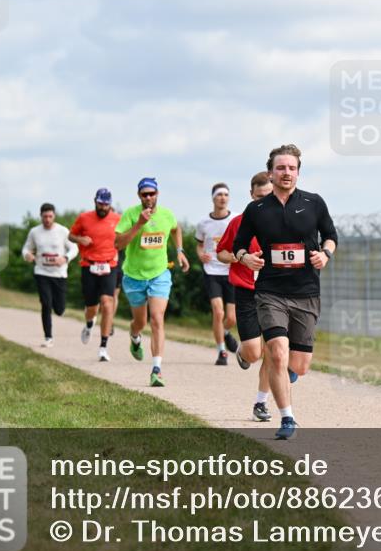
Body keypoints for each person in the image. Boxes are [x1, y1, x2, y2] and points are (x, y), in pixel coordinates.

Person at [233, 145, 337, 439]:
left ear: (298, 172)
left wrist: (325, 254)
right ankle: (287, 418)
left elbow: (330, 235)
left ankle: (287, 377)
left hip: (305, 291)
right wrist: (246, 258)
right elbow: (239, 244)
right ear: (271, 172)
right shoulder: (256, 209)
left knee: (299, 366)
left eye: (291, 168)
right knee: (276, 353)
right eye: (281, 168)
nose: (286, 173)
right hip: (270, 291)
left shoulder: (314, 203)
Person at [115, 177, 190, 387]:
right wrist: (139, 223)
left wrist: (180, 251)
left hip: (159, 274)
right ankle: (135, 336)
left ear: (157, 194)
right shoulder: (130, 215)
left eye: (152, 193)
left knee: (157, 318)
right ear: (139, 196)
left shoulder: (167, 214)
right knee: (140, 322)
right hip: (134, 276)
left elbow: (176, 229)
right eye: (144, 194)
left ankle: (156, 370)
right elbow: (118, 244)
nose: (149, 197)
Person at [218, 171, 276, 421]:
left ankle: (261, 403)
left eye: (268, 196)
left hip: (275, 292)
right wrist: (236, 257)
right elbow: (221, 252)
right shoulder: (239, 222)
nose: (263, 201)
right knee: (255, 353)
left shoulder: (283, 222)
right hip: (245, 292)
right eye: (259, 196)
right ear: (252, 195)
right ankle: (242, 352)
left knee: (273, 350)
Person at [69, 188, 121, 361]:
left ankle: (103, 347)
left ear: (110, 204)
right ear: (95, 201)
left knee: (107, 303)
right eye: (100, 203)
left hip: (109, 265)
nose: (103, 207)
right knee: (92, 307)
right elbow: (71, 235)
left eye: (106, 204)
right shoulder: (84, 218)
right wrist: (80, 240)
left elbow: (125, 238)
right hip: (89, 265)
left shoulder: (117, 219)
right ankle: (89, 324)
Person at [22, 203, 78, 347]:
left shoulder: (63, 231)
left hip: (59, 274)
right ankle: (48, 337)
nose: (47, 219)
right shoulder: (35, 232)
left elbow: (74, 248)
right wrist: (27, 255)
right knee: (46, 304)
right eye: (45, 216)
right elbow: (26, 248)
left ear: (54, 216)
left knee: (59, 309)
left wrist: (65, 258)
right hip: (41, 272)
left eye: (50, 216)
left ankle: (58, 308)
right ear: (40, 216)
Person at [196, 182, 238, 365]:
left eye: (226, 195)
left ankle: (226, 332)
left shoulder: (235, 219)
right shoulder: (203, 223)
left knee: (231, 318)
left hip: (230, 270)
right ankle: (222, 351)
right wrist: (201, 255)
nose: (223, 198)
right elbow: (199, 244)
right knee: (218, 312)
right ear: (213, 198)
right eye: (219, 195)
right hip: (211, 270)